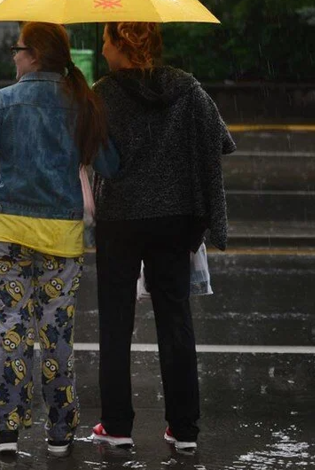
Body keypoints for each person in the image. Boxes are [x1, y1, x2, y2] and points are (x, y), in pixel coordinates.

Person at [0, 22, 119, 457]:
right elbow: (110, 162)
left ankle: (7, 430)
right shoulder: (81, 102)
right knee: (55, 334)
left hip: (7, 232)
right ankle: (60, 432)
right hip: (62, 238)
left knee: (9, 328)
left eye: (18, 48)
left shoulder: (4, 101)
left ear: (35, 56)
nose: (13, 56)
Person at [89, 22, 235, 452]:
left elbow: (95, 156)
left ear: (121, 45)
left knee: (116, 322)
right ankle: (184, 429)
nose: (101, 49)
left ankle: (117, 426)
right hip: (175, 218)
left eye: (105, 40)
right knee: (175, 319)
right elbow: (221, 141)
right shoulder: (187, 89)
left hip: (120, 218)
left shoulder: (104, 93)